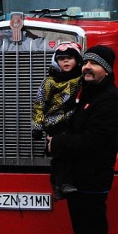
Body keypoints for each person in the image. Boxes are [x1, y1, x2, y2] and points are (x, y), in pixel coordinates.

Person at [48, 45, 118, 234]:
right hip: (79, 179)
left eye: (94, 64)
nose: (87, 68)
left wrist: (58, 142)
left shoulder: (110, 101)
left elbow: (96, 142)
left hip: (92, 180)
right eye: (85, 63)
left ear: (107, 70)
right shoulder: (88, 94)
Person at [32, 41, 83, 199]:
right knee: (61, 154)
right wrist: (37, 125)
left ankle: (57, 185)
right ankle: (64, 184)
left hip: (73, 122)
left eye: (69, 58)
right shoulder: (49, 82)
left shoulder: (81, 80)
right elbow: (39, 104)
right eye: (61, 59)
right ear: (55, 61)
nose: (66, 61)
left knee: (65, 154)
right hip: (55, 123)